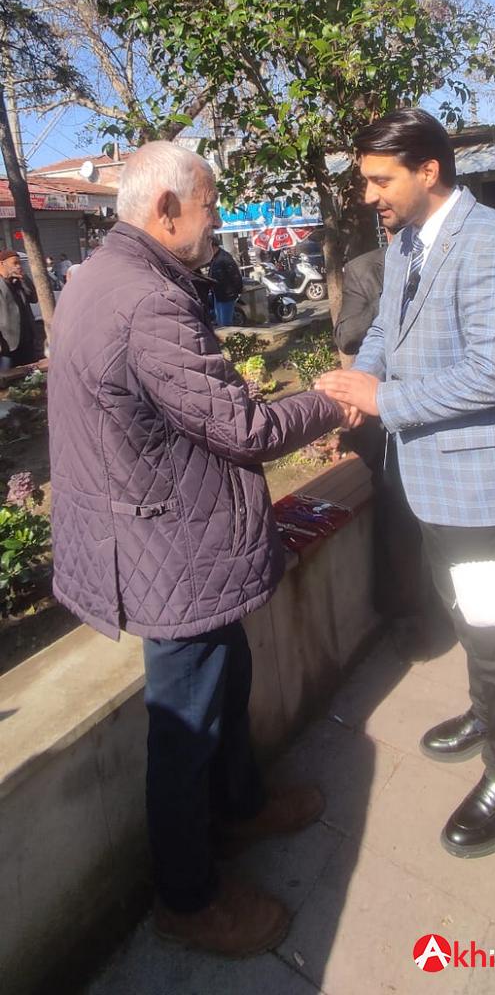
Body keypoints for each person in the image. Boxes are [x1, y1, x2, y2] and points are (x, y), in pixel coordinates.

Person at [48, 142, 357, 958]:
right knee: (184, 729)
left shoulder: (100, 276)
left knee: (228, 679)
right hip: (169, 545)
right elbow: (241, 428)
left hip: (171, 535)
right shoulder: (145, 299)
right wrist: (328, 400)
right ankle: (187, 899)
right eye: (211, 205)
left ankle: (241, 806)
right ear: (166, 211)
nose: (218, 220)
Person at [316, 108, 495, 859]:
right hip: (430, 482)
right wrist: (359, 381)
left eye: (379, 180)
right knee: (466, 615)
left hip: (489, 486)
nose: (369, 196)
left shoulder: (492, 241)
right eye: (364, 181)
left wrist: (383, 400)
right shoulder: (405, 241)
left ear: (429, 171)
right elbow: (385, 331)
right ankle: (491, 714)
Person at [334, 243, 446, 659]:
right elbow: (347, 335)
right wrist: (393, 303)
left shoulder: (453, 252)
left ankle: (449, 603)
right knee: (399, 517)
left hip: (444, 407)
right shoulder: (364, 267)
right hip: (390, 417)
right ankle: (406, 615)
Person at [0, 249, 37, 369]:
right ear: (2, 264)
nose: (18, 266)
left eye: (19, 263)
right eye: (15, 263)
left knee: (32, 375)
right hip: (8, 345)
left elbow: (34, 298)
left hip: (27, 341)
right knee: (7, 376)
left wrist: (23, 278)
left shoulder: (18, 281)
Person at [208, 235, 243, 326]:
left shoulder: (224, 258)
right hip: (217, 294)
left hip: (226, 295)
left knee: (225, 323)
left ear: (213, 246)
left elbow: (235, 276)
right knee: (219, 321)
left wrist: (238, 291)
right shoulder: (214, 258)